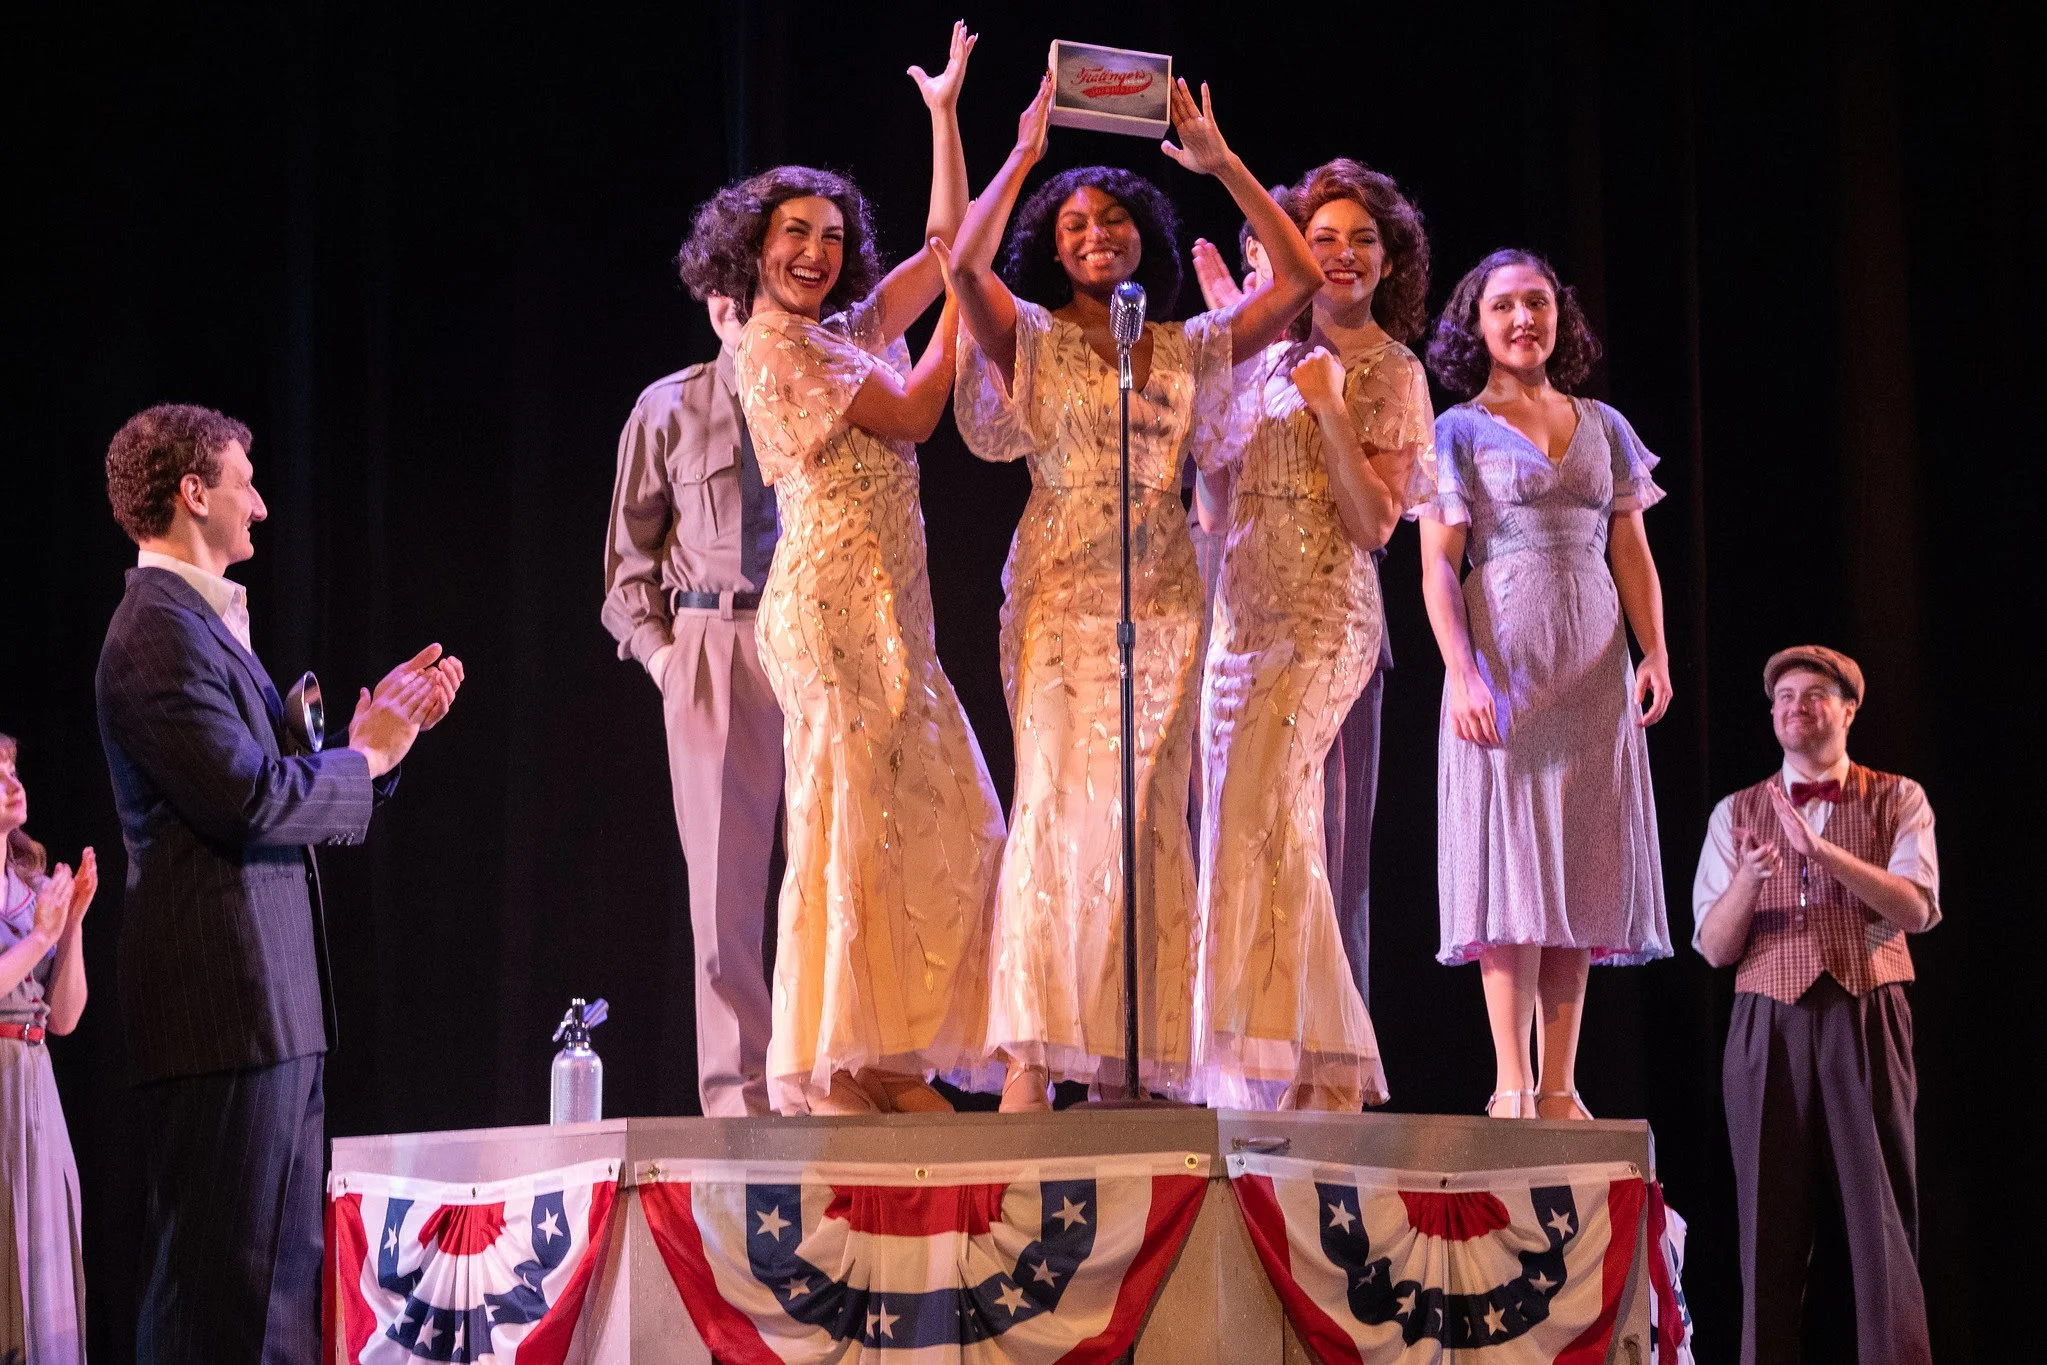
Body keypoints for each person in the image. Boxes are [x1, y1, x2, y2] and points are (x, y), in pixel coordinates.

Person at [946, 76, 1324, 1109]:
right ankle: (1031, 1059)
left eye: (1111, 218)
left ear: (1140, 233)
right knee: (1061, 815)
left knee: (1150, 821)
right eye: (1072, 225)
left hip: (1163, 598)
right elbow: (960, 263)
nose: (1094, 234)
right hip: (1060, 600)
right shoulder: (1027, 335)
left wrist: (1220, 160)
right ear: (1054, 246)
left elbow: (1293, 281)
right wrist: (1021, 152)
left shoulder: (1184, 346)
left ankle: (1130, 1066)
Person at [681, 24, 1006, 1117]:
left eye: (828, 235)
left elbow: (936, 243)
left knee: (920, 814)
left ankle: (879, 1053)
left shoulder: (840, 333)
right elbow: (918, 411)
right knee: (858, 815)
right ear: (752, 250)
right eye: (791, 234)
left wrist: (948, 119)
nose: (814, 251)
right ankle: (845, 1063)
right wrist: (967, 299)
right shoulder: (772, 345)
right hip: (830, 610)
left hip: (888, 611)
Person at [95, 403, 462, 1363]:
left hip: (274, 1010)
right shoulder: (154, 631)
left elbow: (281, 795)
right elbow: (247, 803)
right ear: (193, 493)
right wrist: (364, 763)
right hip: (223, 1013)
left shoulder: (204, 624)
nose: (260, 503)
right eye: (244, 482)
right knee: (218, 1294)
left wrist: (368, 744)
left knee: (276, 1296)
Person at [1192, 159, 1433, 1111]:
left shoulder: (1393, 370)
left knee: (1280, 820)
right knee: (1230, 833)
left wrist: (1330, 403)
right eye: (1321, 238)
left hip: (1322, 618)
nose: (1340, 255)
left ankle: (1322, 1069)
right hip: (1237, 619)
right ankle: (1254, 1071)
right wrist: (1214, 398)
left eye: (1361, 240)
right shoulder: (1256, 356)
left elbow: (1376, 521)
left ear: (1388, 262)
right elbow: (1212, 506)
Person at [1416, 249, 1672, 1120]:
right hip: (1506, 666)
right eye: (1503, 306)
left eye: (1537, 302)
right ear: (1476, 323)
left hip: (1592, 666)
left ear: (1558, 316)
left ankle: (1560, 1085)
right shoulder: (1453, 430)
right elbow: (1436, 571)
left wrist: (1655, 651)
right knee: (1512, 863)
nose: (1522, 318)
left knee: (1579, 864)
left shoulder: (1603, 424)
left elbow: (1629, 548)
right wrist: (1460, 672)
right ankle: (1509, 1081)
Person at [1692, 647, 1936, 1365]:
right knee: (1766, 1229)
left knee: (1881, 1229)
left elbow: (1916, 907)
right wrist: (1750, 878)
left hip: (1867, 1010)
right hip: (1766, 1019)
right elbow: (1712, 946)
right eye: (1783, 697)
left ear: (1848, 708)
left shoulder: (1897, 796)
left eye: (1812, 695)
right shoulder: (1734, 811)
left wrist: (1823, 855)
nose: (1794, 707)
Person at [602, 289, 782, 1117]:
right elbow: (626, 561)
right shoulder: (666, 405)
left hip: (813, 642)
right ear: (721, 308)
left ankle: (822, 1081)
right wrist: (666, 658)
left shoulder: (826, 387)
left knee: (836, 876)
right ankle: (739, 1103)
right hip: (712, 641)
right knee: (723, 893)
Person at [0, 735, 93, 1364]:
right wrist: (39, 938)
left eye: (12, 767)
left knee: (46, 1260)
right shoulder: (33, 915)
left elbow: (63, 1017)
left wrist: (75, 921)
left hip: (36, 1081)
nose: (12, 781)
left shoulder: (33, 885)